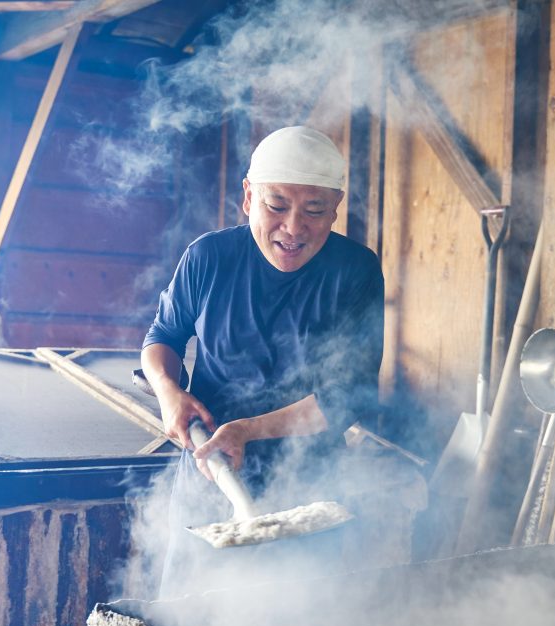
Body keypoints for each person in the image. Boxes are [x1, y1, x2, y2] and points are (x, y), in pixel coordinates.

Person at [141, 126, 384, 489]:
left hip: (311, 478)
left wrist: (248, 430)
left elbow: (349, 396)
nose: (293, 228)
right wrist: (167, 391)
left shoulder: (354, 271)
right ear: (248, 197)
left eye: (314, 210)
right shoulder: (209, 257)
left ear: (335, 208)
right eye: (277, 206)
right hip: (210, 465)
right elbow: (164, 335)